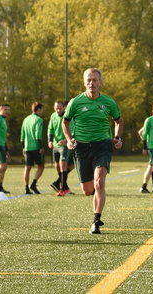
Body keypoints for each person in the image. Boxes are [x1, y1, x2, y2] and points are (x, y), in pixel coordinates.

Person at [62, 68, 123, 234]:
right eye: (89, 80)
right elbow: (65, 123)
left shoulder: (109, 102)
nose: (92, 83)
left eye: (95, 80)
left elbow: (119, 121)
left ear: (101, 82)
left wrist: (118, 138)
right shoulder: (76, 102)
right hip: (81, 147)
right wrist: (68, 141)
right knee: (88, 190)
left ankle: (96, 221)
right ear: (84, 82)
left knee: (99, 181)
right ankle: (98, 195)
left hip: (102, 145)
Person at [47, 100, 75, 196]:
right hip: (56, 145)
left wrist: (67, 140)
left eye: (60, 108)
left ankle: (62, 189)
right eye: (56, 108)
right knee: (57, 167)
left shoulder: (68, 117)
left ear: (64, 108)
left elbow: (73, 130)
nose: (58, 110)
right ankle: (64, 186)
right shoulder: (53, 116)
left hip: (65, 145)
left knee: (63, 165)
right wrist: (50, 141)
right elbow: (50, 129)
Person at [20, 101, 45, 195]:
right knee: (41, 166)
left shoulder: (26, 119)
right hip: (36, 147)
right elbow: (38, 135)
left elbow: (22, 136)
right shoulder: (39, 120)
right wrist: (41, 146)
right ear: (38, 109)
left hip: (26, 147)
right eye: (42, 109)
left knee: (27, 168)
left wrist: (23, 147)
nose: (42, 111)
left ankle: (26, 188)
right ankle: (33, 184)